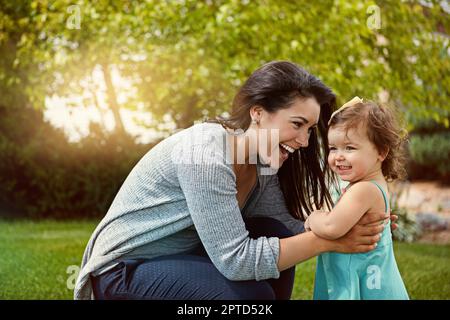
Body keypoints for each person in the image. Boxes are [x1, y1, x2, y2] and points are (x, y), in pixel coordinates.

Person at [74, 61, 396, 300]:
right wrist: (331, 240)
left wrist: (355, 222)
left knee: (273, 232)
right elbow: (235, 262)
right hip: (121, 273)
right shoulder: (204, 153)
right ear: (258, 113)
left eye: (310, 129)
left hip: (178, 260)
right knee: (251, 301)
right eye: (297, 124)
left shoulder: (263, 163)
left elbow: (289, 227)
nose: (305, 141)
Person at [304, 97, 409, 300]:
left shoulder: (364, 190)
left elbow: (331, 228)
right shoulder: (371, 185)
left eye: (349, 148)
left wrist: (314, 217)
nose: (338, 156)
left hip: (365, 282)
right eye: (333, 148)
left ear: (381, 151)